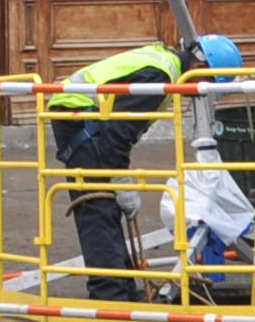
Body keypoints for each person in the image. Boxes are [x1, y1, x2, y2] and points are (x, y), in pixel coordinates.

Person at [44, 36, 190, 298]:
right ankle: (109, 293)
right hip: (80, 117)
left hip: (79, 114)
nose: (200, 93)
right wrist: (120, 179)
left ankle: (121, 287)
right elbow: (117, 132)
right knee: (97, 206)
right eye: (207, 84)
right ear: (200, 68)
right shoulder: (159, 76)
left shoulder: (163, 64)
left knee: (105, 206)